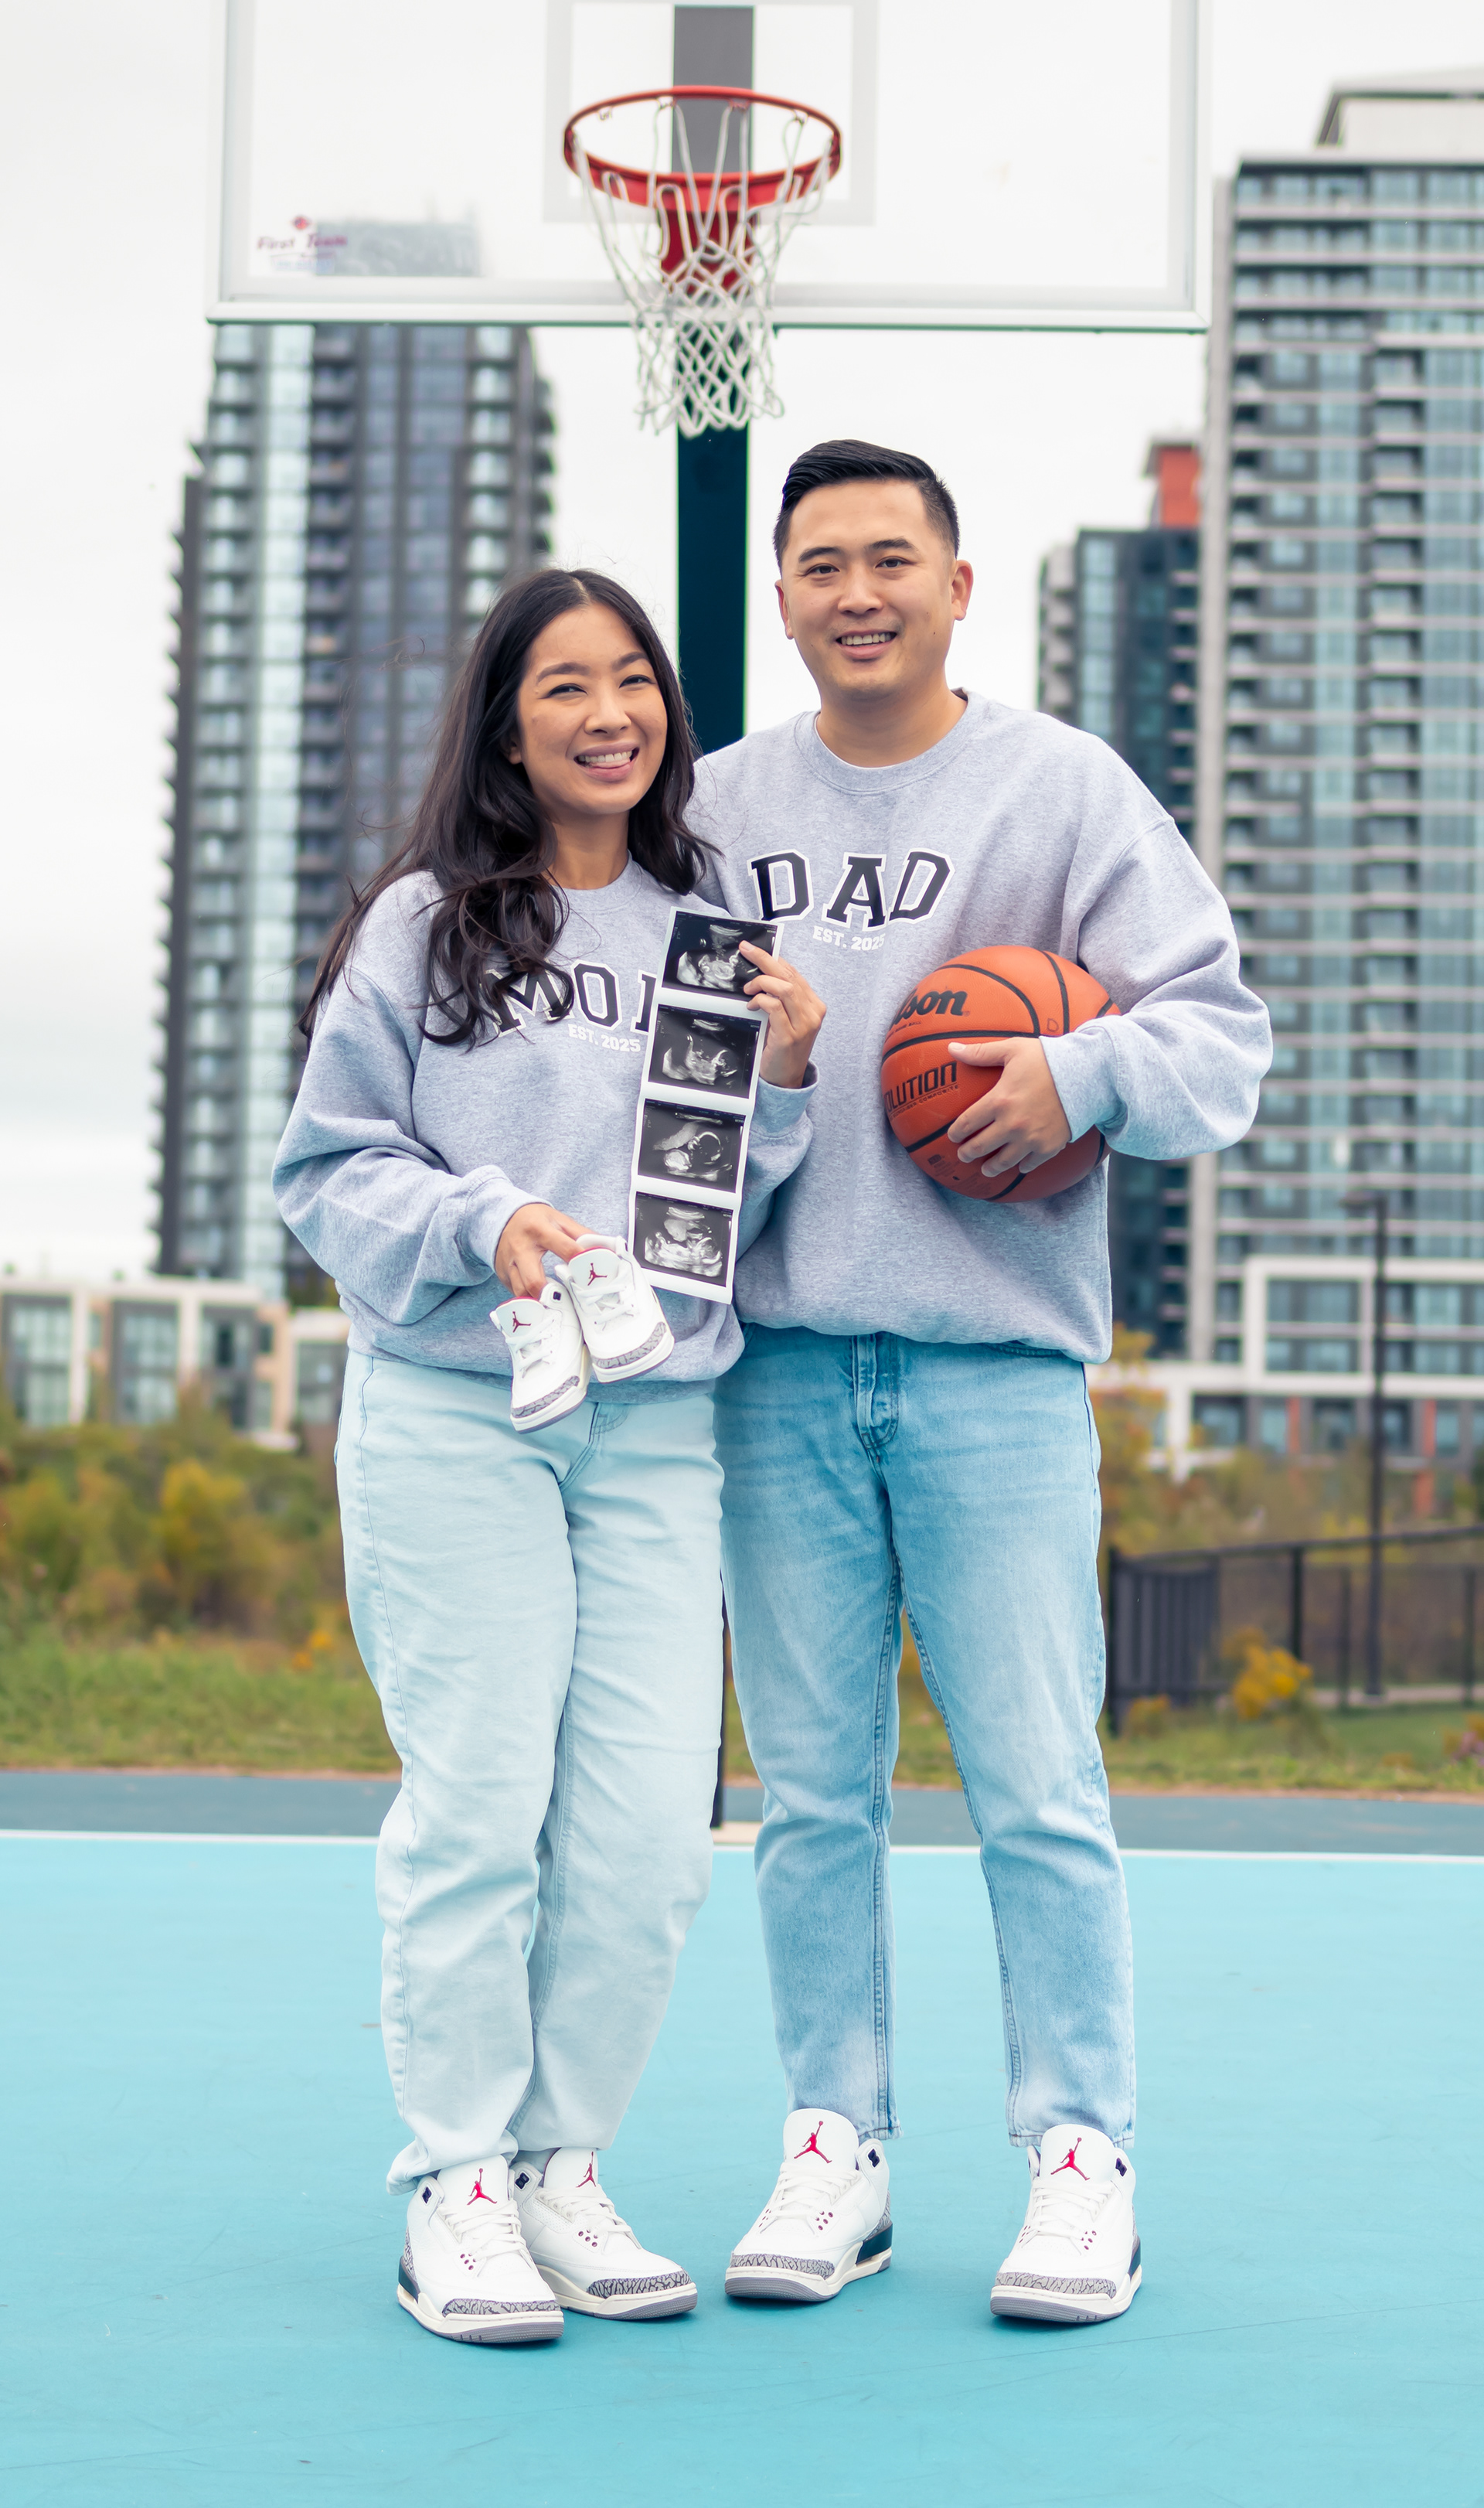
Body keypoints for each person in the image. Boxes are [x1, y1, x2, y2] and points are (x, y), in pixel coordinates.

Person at [692, 441, 1270, 2323]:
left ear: (956, 583)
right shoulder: (713, 811)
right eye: (820, 565)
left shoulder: (1064, 789)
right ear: (783, 599)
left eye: (891, 559)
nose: (856, 592)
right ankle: (834, 2145)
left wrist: (1076, 1075)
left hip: (997, 1372)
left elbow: (1220, 1041)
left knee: (1038, 1783)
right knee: (811, 1797)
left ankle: (1080, 2157)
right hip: (778, 1368)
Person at [274, 567, 823, 2348]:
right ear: (507, 727)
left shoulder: (708, 936)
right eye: (566, 685)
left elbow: (722, 1215)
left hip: (655, 1425)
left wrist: (788, 1082)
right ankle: (455, 2179)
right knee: (481, 1808)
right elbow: (323, 1172)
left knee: (653, 1834)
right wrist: (488, 1220)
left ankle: (558, 2165)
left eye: (633, 680)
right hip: (458, 1409)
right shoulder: (427, 926)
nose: (609, 713)